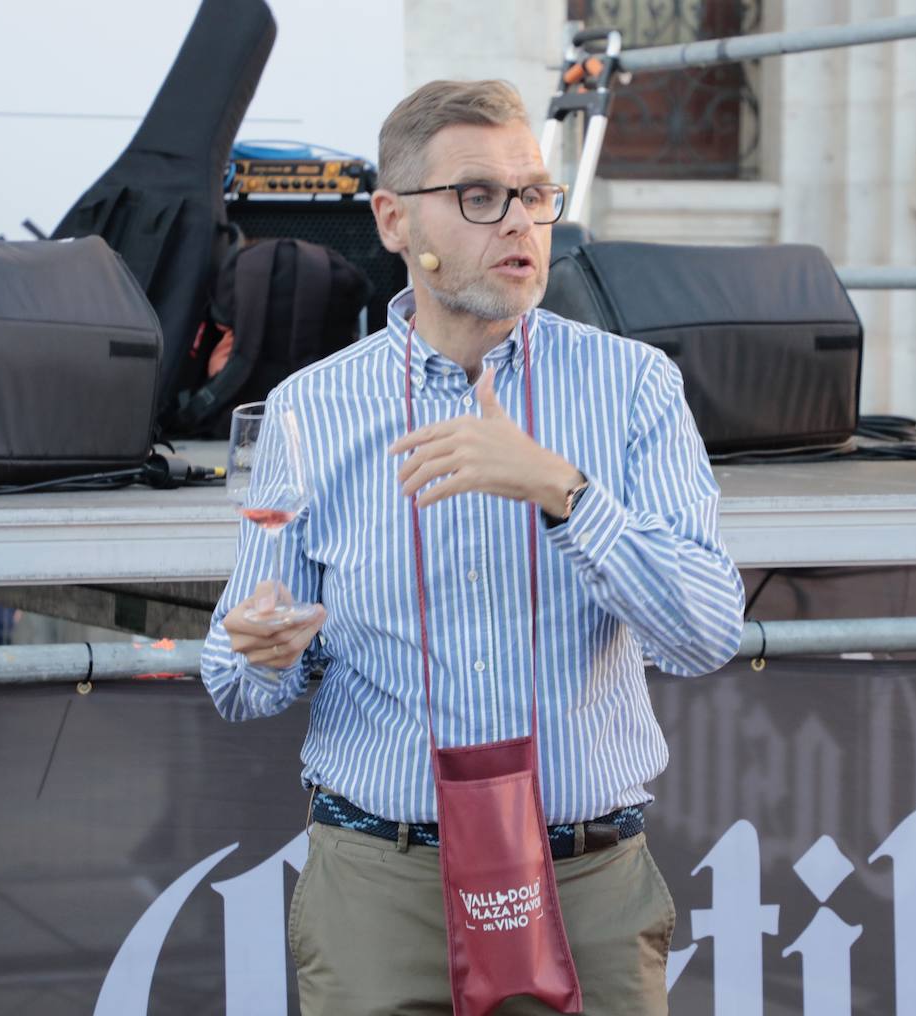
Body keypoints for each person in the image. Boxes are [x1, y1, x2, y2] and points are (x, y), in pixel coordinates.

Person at [201, 79, 745, 1015]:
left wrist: (563, 495)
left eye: (534, 194)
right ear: (390, 218)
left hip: (586, 882)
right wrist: (258, 648)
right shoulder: (310, 409)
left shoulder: (634, 387)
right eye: (479, 197)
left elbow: (706, 634)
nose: (519, 223)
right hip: (383, 882)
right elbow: (240, 679)